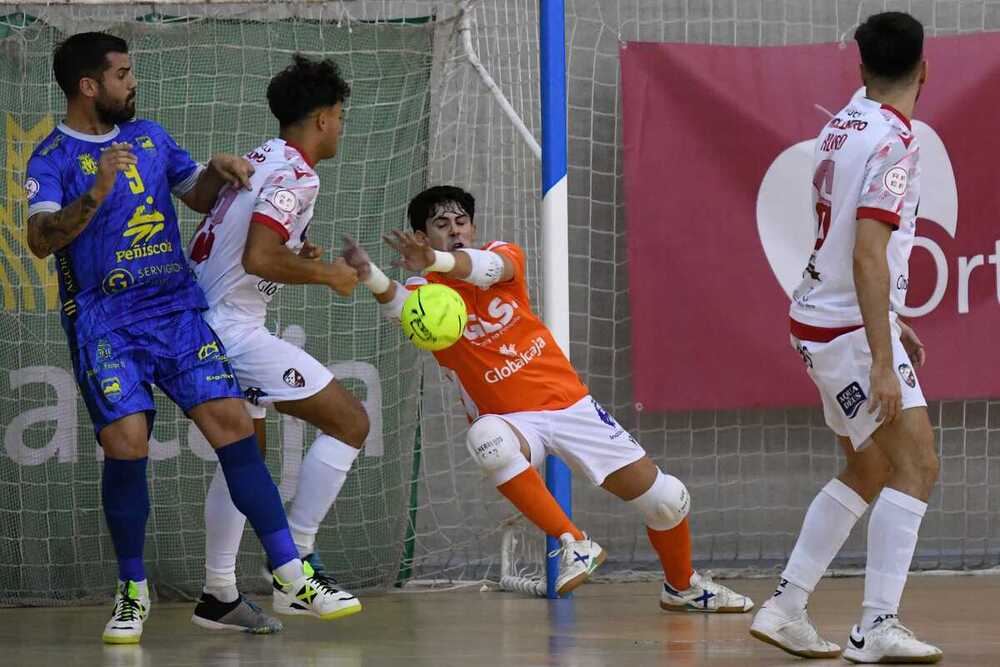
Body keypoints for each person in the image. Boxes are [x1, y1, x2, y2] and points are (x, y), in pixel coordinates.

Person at [24, 33, 348, 644]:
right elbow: (41, 240)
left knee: (233, 424)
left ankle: (288, 569)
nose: (132, 82)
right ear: (88, 86)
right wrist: (94, 191)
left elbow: (196, 193)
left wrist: (221, 171)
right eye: (122, 74)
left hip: (174, 308)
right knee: (127, 444)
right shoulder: (49, 160)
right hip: (105, 321)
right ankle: (132, 591)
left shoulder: (149, 136)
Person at [342, 185, 753, 611]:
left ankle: (681, 586)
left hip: (568, 404)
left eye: (461, 222)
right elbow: (402, 310)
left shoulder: (502, 256)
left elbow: (489, 267)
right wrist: (371, 274)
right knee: (487, 438)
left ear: (474, 226)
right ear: (421, 237)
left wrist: (438, 259)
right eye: (441, 226)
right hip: (512, 420)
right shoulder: (424, 291)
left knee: (667, 501)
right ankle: (574, 541)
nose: (455, 231)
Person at [749, 12, 942, 663]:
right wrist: (882, 358)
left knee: (870, 464)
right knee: (917, 464)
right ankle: (876, 623)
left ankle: (785, 607)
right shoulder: (896, 142)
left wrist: (891, 317)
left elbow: (843, 249)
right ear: (924, 69)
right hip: (850, 333)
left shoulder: (840, 123)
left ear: (861, 70)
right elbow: (865, 252)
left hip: (821, 317)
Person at [186, 54, 364, 632]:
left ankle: (218, 593)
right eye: (339, 115)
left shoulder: (263, 156)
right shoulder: (298, 174)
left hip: (203, 320)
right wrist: (330, 274)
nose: (341, 126)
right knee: (351, 422)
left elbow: (256, 242)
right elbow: (257, 256)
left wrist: (299, 253)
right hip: (231, 330)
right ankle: (299, 564)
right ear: (320, 119)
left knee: (245, 458)